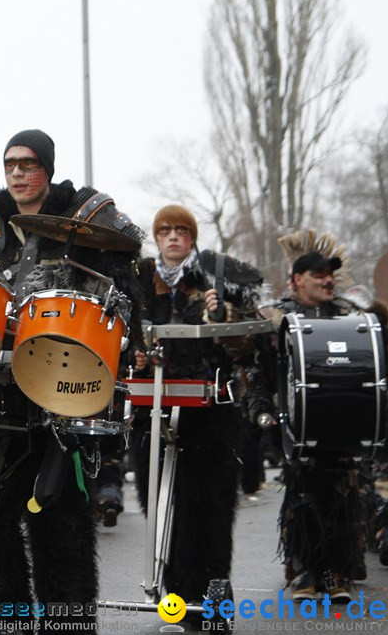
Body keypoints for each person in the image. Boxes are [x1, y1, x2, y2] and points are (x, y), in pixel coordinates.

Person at [0, 129, 143, 631]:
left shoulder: (85, 215)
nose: (18, 174)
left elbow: (123, 296)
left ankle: (67, 622)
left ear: (47, 166)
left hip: (60, 387)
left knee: (59, 513)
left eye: (28, 164)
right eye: (10, 165)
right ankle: (3, 618)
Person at [128, 204, 266, 620]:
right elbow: (124, 334)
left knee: (210, 505)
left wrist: (222, 313)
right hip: (151, 403)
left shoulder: (217, 277)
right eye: (165, 230)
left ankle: (213, 598)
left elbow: (247, 339)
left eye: (181, 231)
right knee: (161, 504)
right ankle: (177, 599)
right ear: (156, 238)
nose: (173, 238)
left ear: (192, 237)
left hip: (209, 408)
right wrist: (132, 356)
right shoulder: (139, 281)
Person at [258, 248, 380, 602]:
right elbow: (262, 371)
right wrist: (263, 411)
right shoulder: (277, 317)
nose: (329, 280)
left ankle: (336, 571)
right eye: (319, 274)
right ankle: (306, 569)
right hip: (300, 422)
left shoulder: (349, 316)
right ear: (298, 280)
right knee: (303, 495)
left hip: (344, 415)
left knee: (343, 493)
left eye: (331, 274)